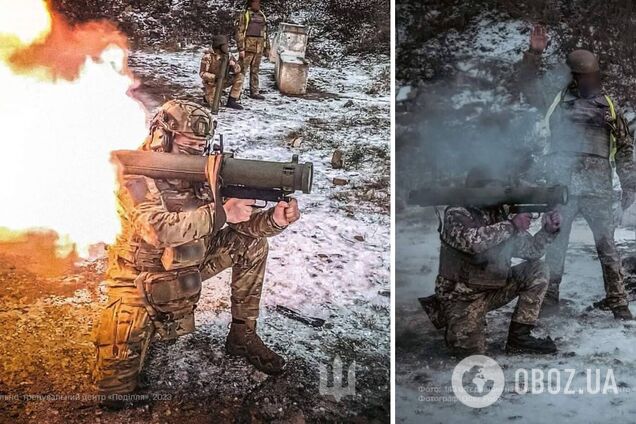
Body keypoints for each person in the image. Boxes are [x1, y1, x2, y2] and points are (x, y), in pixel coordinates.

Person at [92, 100, 301, 403]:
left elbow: (239, 226)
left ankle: (242, 333)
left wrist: (274, 220)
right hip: (142, 280)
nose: (196, 153)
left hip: (190, 262)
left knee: (252, 244)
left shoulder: (202, 170)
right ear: (163, 136)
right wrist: (221, 214)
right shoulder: (135, 173)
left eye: (201, 147)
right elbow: (158, 229)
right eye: (188, 146)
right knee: (114, 393)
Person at [521, 25, 636, 319]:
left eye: (591, 76)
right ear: (572, 77)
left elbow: (624, 147)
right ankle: (550, 296)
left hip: (597, 187)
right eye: (582, 76)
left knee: (607, 246)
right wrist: (534, 53)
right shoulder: (556, 99)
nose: (588, 81)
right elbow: (527, 84)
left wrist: (629, 184)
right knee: (556, 242)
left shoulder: (609, 106)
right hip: (563, 186)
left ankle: (618, 301)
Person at [421, 167, 561, 356]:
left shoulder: (497, 214)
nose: (501, 192)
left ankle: (520, 338)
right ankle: (456, 319)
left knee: (538, 270)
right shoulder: (457, 213)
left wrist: (548, 231)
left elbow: (531, 251)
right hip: (462, 298)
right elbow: (473, 243)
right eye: (496, 187)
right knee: (471, 355)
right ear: (479, 189)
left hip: (493, 289)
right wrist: (511, 225)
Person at [235, 0, 270, 100]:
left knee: (255, 71)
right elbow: (239, 32)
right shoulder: (245, 15)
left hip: (259, 48)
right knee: (241, 71)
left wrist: (267, 47)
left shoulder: (262, 15)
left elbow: (265, 33)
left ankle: (254, 91)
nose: (258, 4)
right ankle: (236, 93)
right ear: (251, 3)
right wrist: (241, 48)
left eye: (259, 2)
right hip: (247, 48)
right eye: (256, 2)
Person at [199, 35, 244, 110]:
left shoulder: (228, 56)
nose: (226, 48)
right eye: (224, 45)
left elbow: (238, 70)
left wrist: (233, 65)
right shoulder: (208, 56)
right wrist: (214, 77)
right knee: (216, 105)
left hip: (224, 80)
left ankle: (232, 100)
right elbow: (202, 73)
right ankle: (207, 97)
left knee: (240, 76)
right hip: (211, 83)